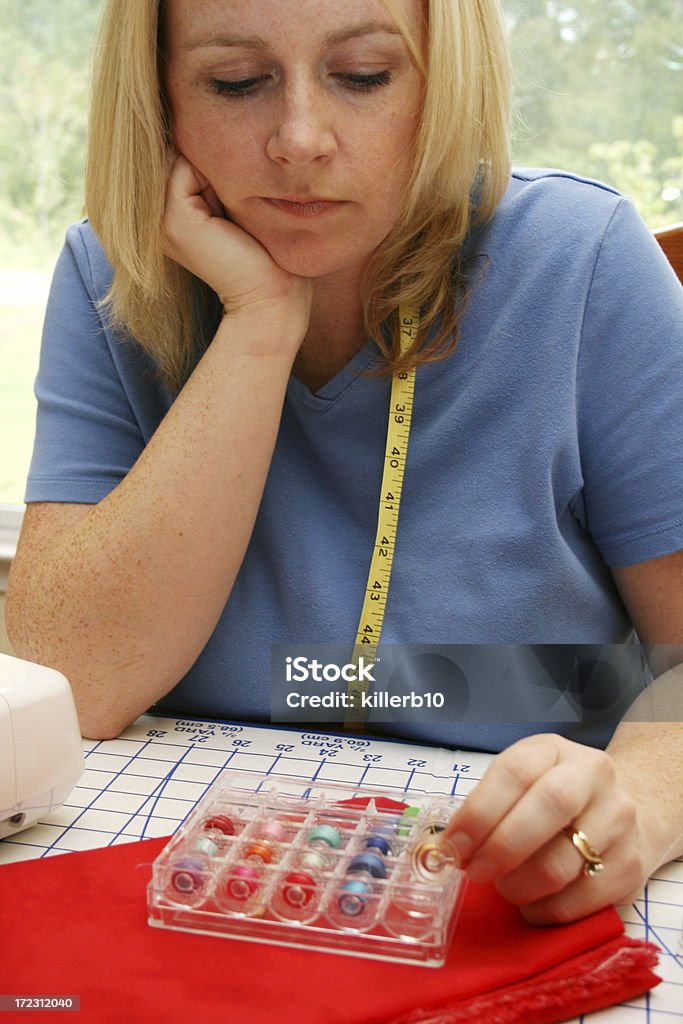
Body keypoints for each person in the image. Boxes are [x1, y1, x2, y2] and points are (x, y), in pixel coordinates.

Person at [5, 0, 683, 926]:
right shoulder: (109, 274)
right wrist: (258, 322)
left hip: (504, 889)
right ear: (157, 97)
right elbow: (69, 675)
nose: (300, 139)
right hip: (208, 881)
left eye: (364, 75)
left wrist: (636, 804)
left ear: (445, 82)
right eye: (234, 83)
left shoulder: (583, 261)